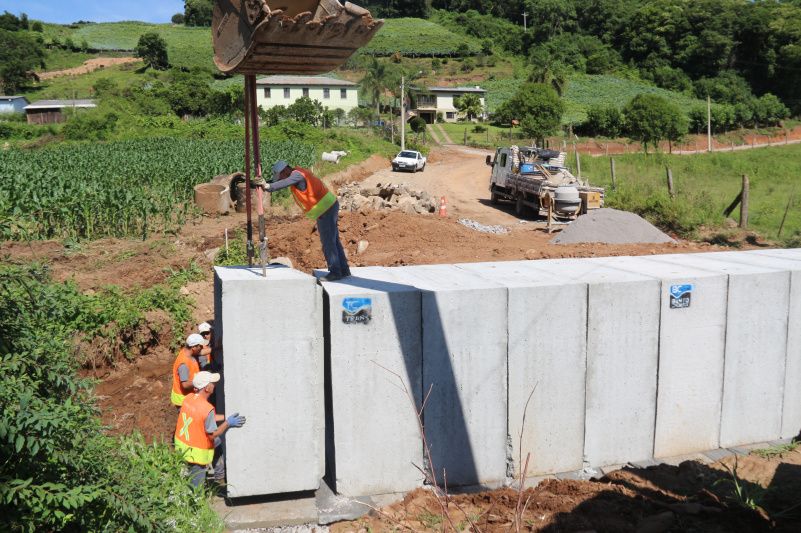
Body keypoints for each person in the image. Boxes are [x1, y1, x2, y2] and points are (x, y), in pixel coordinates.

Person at [261, 160, 350, 281]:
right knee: (334, 240)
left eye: (280, 175)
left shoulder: (296, 176)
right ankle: (343, 270)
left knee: (328, 242)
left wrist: (268, 187)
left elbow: (283, 183)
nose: (280, 178)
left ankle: (335, 272)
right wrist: (265, 183)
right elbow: (281, 181)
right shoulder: (297, 172)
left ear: (285, 170)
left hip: (325, 209)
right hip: (329, 206)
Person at [174, 371, 246, 488]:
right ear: (207, 388)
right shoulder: (207, 408)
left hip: (182, 446)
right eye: (212, 383)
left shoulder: (189, 399)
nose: (214, 385)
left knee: (217, 444)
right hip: (196, 453)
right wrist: (227, 423)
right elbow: (212, 435)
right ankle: (195, 505)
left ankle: (219, 475)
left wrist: (225, 416)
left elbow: (203, 417)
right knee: (196, 488)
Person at [171, 333, 208, 407]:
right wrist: (201, 382)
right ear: (193, 348)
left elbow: (201, 352)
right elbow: (185, 385)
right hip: (183, 400)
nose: (202, 347)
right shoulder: (183, 364)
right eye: (200, 346)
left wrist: (215, 348)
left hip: (188, 397)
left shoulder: (187, 351)